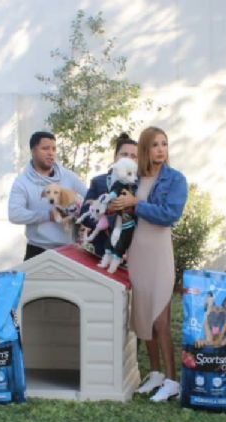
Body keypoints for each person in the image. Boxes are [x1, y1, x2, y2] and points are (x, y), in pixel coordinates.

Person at [110, 127, 188, 402]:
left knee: (160, 318)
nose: (160, 150)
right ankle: (154, 373)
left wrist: (136, 204)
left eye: (164, 144)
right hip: (137, 252)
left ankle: (172, 380)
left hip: (159, 252)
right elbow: (121, 207)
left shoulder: (175, 179)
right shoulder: (135, 178)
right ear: (145, 149)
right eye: (154, 145)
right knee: (143, 313)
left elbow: (169, 215)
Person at [8, 131, 86, 260]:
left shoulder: (68, 177)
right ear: (33, 151)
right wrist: (48, 215)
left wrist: (79, 214)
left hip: (69, 251)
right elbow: (15, 214)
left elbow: (89, 199)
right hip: (37, 250)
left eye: (54, 149)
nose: (51, 153)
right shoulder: (22, 182)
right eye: (45, 148)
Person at [80, 133, 138, 256]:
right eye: (124, 154)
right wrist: (105, 212)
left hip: (131, 253)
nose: (128, 159)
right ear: (115, 157)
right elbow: (84, 212)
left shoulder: (140, 185)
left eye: (133, 156)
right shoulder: (98, 181)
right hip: (100, 250)